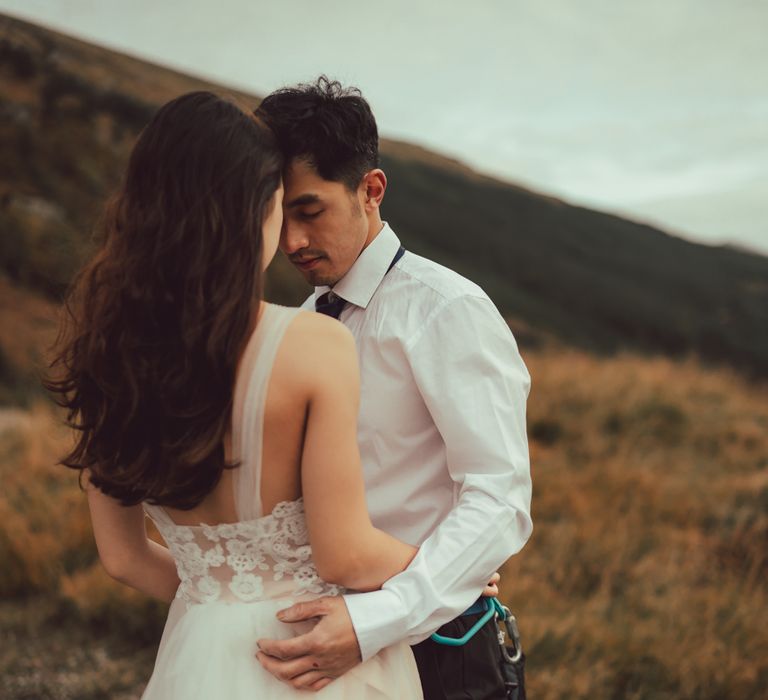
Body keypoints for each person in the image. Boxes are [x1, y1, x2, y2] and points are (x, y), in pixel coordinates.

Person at [44, 91, 425, 698]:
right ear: (253, 210)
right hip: (311, 661)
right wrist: (446, 569)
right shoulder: (311, 345)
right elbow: (346, 555)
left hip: (196, 654)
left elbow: (124, 560)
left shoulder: (106, 353)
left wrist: (221, 599)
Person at [254, 77, 533, 699]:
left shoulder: (446, 310)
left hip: (437, 647)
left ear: (371, 190)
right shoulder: (299, 325)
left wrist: (376, 618)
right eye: (281, 215)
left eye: (310, 211)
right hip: (314, 649)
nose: (292, 242)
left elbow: (499, 499)